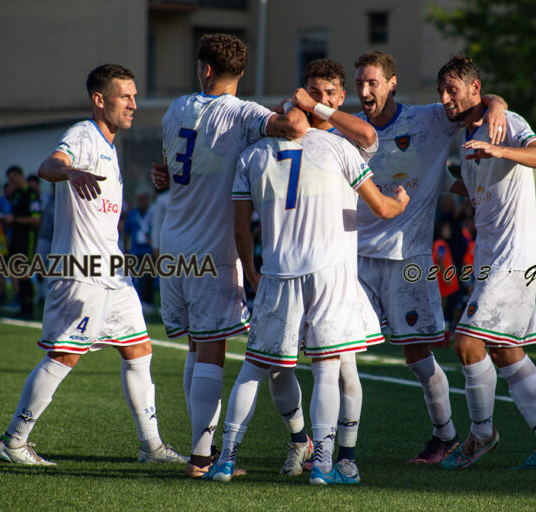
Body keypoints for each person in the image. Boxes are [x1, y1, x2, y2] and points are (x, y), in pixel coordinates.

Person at [0, 64, 186, 466]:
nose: (133, 104)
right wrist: (68, 170)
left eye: (134, 96)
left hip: (112, 272)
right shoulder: (83, 135)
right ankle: (14, 440)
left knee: (139, 349)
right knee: (64, 356)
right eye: (124, 97)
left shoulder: (110, 145)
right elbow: (48, 167)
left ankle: (150, 447)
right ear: (100, 100)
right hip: (81, 271)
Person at [204, 119, 409, 485]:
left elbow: (240, 227)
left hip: (278, 273)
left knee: (255, 368)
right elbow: (382, 206)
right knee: (328, 369)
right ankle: (325, 465)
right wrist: (399, 201)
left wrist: (252, 272)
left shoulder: (252, 155)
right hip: (329, 272)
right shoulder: (338, 147)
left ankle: (226, 460)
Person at [152, 33, 307, 478]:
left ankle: (201, 448)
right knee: (212, 351)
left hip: (173, 244)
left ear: (204, 69)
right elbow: (294, 127)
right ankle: (202, 459)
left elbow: (170, 168)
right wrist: (298, 104)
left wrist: (161, 174)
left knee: (196, 348)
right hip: (212, 247)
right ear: (238, 72)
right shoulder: (243, 114)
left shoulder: (175, 108)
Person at [351, 50, 508, 464]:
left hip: (408, 259)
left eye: (373, 83)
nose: (365, 91)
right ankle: (324, 445)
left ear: (392, 83)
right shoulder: (350, 131)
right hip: (353, 260)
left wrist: (498, 103)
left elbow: (473, 100)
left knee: (418, 356)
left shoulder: (429, 119)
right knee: (334, 352)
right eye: (360, 84)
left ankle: (445, 437)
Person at [434, 54, 536, 470]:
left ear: (475, 89)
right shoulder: (466, 136)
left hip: (514, 256)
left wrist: (500, 145)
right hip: (493, 256)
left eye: (451, 90)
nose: (444, 98)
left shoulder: (505, 123)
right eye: (441, 91)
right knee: (505, 349)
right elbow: (477, 189)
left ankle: (480, 434)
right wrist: (437, 184)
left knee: (466, 342)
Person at [261, 59, 384, 480]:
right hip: (285, 271)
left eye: (330, 93)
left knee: (342, 368)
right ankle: (301, 441)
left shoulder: (350, 141)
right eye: (315, 91)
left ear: (341, 97)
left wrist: (317, 110)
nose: (323, 100)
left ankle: (344, 455)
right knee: (278, 367)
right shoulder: (284, 131)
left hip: (336, 273)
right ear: (302, 90)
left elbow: (370, 133)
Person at [1, 166, 41, 319]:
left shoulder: (31, 195)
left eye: (12, 179)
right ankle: (23, 307)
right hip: (16, 238)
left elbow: (36, 220)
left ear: (19, 176)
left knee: (24, 274)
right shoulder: (16, 194)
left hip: (27, 239)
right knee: (17, 273)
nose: (11, 183)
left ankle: (28, 309)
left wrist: (15, 220)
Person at [124, 190, 155, 314]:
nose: (143, 202)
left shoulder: (152, 213)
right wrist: (126, 249)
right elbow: (126, 233)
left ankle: (149, 302)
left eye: (145, 199)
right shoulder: (132, 214)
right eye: (140, 199)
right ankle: (138, 302)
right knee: (137, 277)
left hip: (149, 249)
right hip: (136, 250)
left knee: (149, 277)